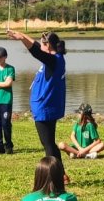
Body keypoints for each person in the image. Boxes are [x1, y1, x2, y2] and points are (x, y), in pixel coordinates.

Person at [7, 30, 66, 168]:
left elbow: (36, 51)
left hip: (45, 108)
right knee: (49, 142)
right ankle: (61, 173)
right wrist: (22, 35)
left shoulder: (53, 61)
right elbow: (39, 49)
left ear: (48, 46)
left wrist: (22, 38)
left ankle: (55, 175)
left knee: (48, 144)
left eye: (42, 43)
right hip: (48, 107)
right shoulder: (55, 58)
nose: (40, 45)